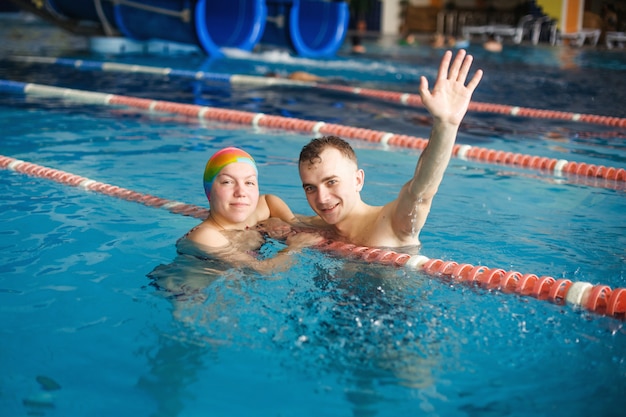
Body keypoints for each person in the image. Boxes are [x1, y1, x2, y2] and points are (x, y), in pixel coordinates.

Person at [297, 49, 483, 248]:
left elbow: (421, 192)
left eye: (332, 182)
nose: (322, 198)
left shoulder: (392, 223)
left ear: (358, 180)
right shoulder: (314, 228)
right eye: (310, 188)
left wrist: (446, 125)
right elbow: (269, 208)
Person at [183, 146, 323, 272]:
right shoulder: (205, 235)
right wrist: (296, 246)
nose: (241, 192)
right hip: (189, 295)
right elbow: (263, 270)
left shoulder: (250, 217)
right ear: (209, 191)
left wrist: (292, 222)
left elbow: (268, 200)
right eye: (227, 182)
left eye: (249, 182)